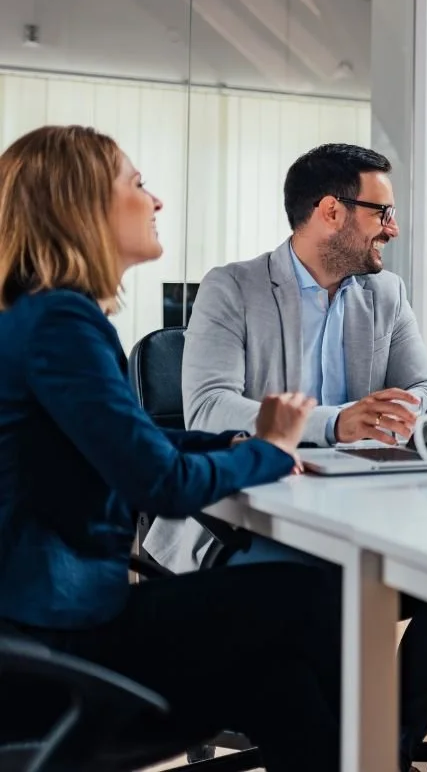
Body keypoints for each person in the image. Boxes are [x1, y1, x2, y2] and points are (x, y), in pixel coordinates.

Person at [0, 125, 340, 772]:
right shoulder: (61, 323)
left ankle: (374, 753)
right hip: (57, 647)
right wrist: (268, 450)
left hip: (42, 631)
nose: (155, 201)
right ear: (81, 204)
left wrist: (232, 441)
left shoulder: (33, 316)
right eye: (137, 183)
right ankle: (387, 744)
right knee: (311, 597)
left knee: (278, 677)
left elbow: (127, 436)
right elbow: (161, 485)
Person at [144, 142, 427, 772]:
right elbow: (209, 410)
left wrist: (402, 409)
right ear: (332, 211)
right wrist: (335, 422)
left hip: (361, 508)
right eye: (382, 213)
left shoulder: (384, 293)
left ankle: (388, 748)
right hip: (245, 522)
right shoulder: (233, 288)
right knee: (316, 587)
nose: (394, 228)